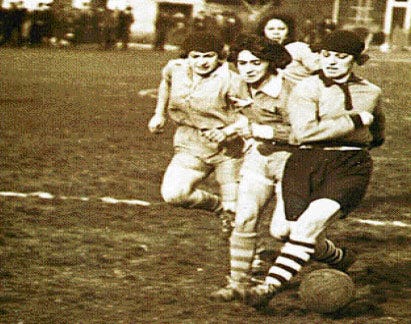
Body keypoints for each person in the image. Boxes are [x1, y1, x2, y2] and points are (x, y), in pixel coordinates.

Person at [244, 30, 385, 308]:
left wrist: (356, 140)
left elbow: (378, 133)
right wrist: (355, 121)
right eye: (326, 55)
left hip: (348, 165)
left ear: (356, 60)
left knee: (308, 225)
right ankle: (339, 258)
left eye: (341, 57)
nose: (331, 62)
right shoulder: (306, 88)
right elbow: (305, 132)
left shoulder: (371, 91)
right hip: (305, 162)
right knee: (284, 231)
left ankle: (268, 288)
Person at [209, 34, 294, 301]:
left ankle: (332, 254)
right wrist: (228, 131)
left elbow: (302, 133)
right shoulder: (241, 86)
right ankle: (237, 283)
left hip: (291, 162)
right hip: (259, 158)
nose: (248, 68)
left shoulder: (290, 91)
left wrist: (257, 129)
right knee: (244, 217)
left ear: (270, 63)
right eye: (243, 63)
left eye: (255, 62)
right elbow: (243, 120)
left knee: (283, 231)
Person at [147, 32, 251, 234]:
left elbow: (253, 115)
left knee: (237, 212)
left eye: (208, 56)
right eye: (196, 56)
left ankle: (251, 260)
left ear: (220, 56)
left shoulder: (233, 80)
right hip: (192, 141)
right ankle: (218, 206)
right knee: (174, 194)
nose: (201, 62)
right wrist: (159, 114)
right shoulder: (176, 68)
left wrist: (228, 131)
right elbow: (166, 83)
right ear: (187, 55)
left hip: (230, 149)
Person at [255, 13, 320, 85]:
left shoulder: (299, 48)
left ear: (288, 32)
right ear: (263, 32)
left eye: (281, 29)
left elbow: (319, 71)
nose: (276, 32)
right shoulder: (259, 52)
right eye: (271, 29)